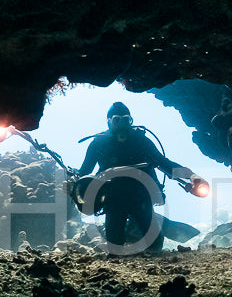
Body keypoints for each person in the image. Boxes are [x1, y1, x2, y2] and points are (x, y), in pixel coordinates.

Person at [75, 102, 202, 253]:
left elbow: (165, 164)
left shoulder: (141, 141)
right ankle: (140, 226)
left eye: (126, 119)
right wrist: (75, 187)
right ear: (109, 121)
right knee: (114, 247)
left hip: (140, 196)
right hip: (113, 199)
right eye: (117, 119)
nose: (122, 124)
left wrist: (192, 176)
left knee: (155, 245)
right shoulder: (98, 143)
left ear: (131, 120)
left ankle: (148, 223)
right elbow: (84, 173)